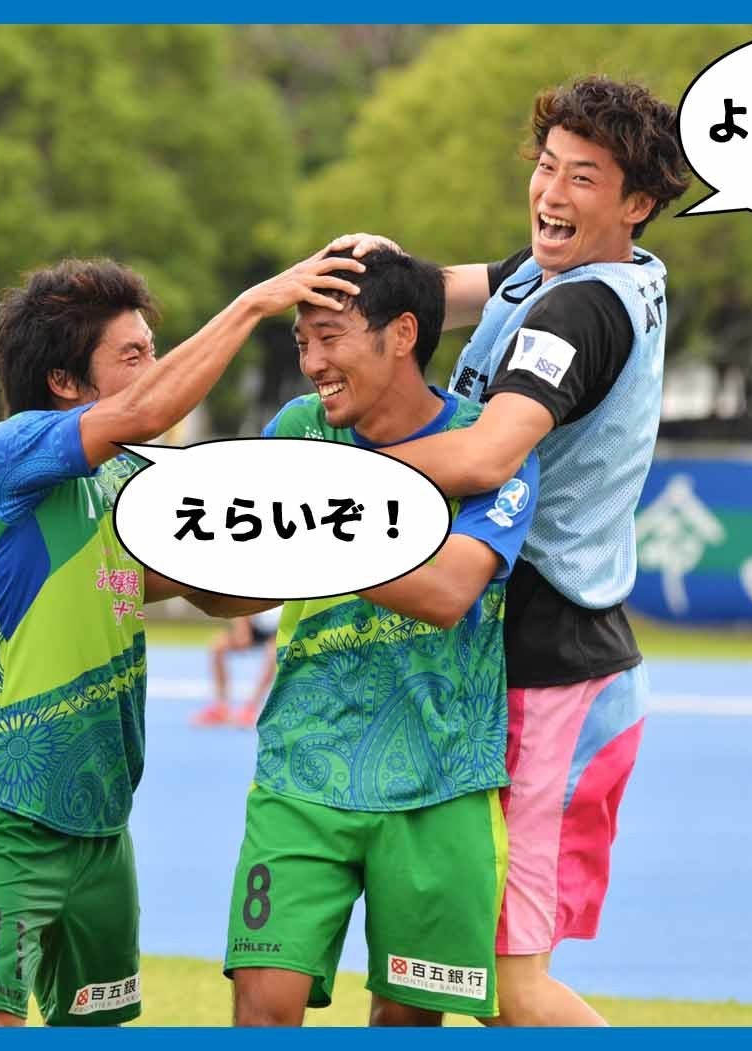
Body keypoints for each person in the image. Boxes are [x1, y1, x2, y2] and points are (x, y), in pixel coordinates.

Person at [329, 75, 691, 1026]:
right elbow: (439, 294)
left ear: (638, 204)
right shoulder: (549, 274)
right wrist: (370, 271)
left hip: (553, 669)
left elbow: (490, 454)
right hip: (491, 663)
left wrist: (326, 484)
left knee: (505, 982)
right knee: (422, 963)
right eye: (546, 166)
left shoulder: (582, 312)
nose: (551, 193)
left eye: (583, 177)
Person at [0, 250, 362, 1027]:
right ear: (65, 381)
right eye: (134, 355)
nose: (155, 370)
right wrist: (253, 304)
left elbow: (213, 589)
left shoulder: (130, 483)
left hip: (101, 822)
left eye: (153, 351)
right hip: (3, 814)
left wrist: (352, 552)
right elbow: (145, 411)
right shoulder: (6, 453)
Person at [199, 249, 539, 1026]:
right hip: (302, 769)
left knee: (405, 1022)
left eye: (330, 338)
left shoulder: (493, 445)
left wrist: (310, 525)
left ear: (402, 334)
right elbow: (232, 583)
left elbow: (448, 591)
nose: (312, 363)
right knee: (262, 1007)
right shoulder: (297, 431)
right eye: (302, 343)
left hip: (441, 780)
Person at [191, 609, 281, 728]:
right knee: (218, 647)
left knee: (274, 654)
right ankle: (221, 708)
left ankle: (250, 708)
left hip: (281, 629)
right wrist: (243, 629)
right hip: (254, 625)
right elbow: (241, 603)